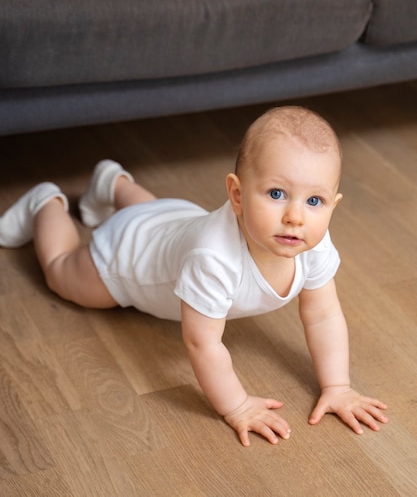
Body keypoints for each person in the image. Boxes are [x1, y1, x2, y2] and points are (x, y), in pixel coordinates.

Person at [0, 106, 388, 446]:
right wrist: (236, 405)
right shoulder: (213, 259)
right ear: (236, 195)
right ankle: (46, 203)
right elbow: (203, 344)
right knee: (63, 274)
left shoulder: (310, 240)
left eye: (314, 201)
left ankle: (113, 184)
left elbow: (323, 314)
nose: (295, 216)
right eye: (275, 194)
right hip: (128, 257)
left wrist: (338, 386)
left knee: (153, 214)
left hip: (175, 222)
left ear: (332, 205)